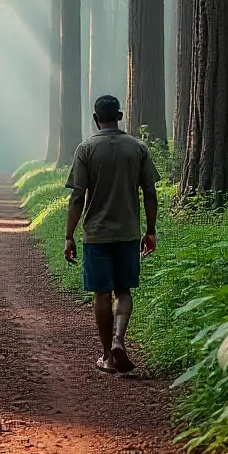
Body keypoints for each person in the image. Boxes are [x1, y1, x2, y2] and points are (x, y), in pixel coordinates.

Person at [63, 95, 159, 374]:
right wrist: (150, 231)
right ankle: (119, 340)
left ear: (95, 119)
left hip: (96, 235)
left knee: (101, 293)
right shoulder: (137, 148)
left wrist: (69, 235)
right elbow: (150, 192)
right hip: (128, 233)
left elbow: (78, 196)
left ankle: (107, 355)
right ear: (119, 116)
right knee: (124, 289)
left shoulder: (86, 149)